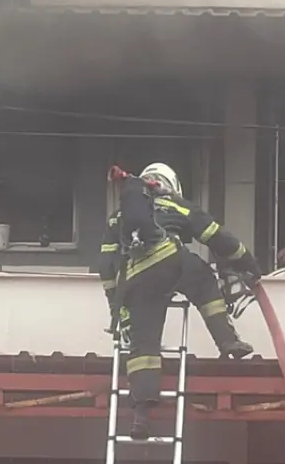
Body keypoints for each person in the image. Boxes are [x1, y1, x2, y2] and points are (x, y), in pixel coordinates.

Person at [99, 162, 263, 439]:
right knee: (204, 282)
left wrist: (117, 306)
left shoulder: (118, 217)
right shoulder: (177, 205)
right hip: (170, 258)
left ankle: (141, 416)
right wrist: (249, 263)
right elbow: (217, 237)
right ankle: (227, 340)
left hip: (137, 276)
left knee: (143, 347)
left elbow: (106, 265)